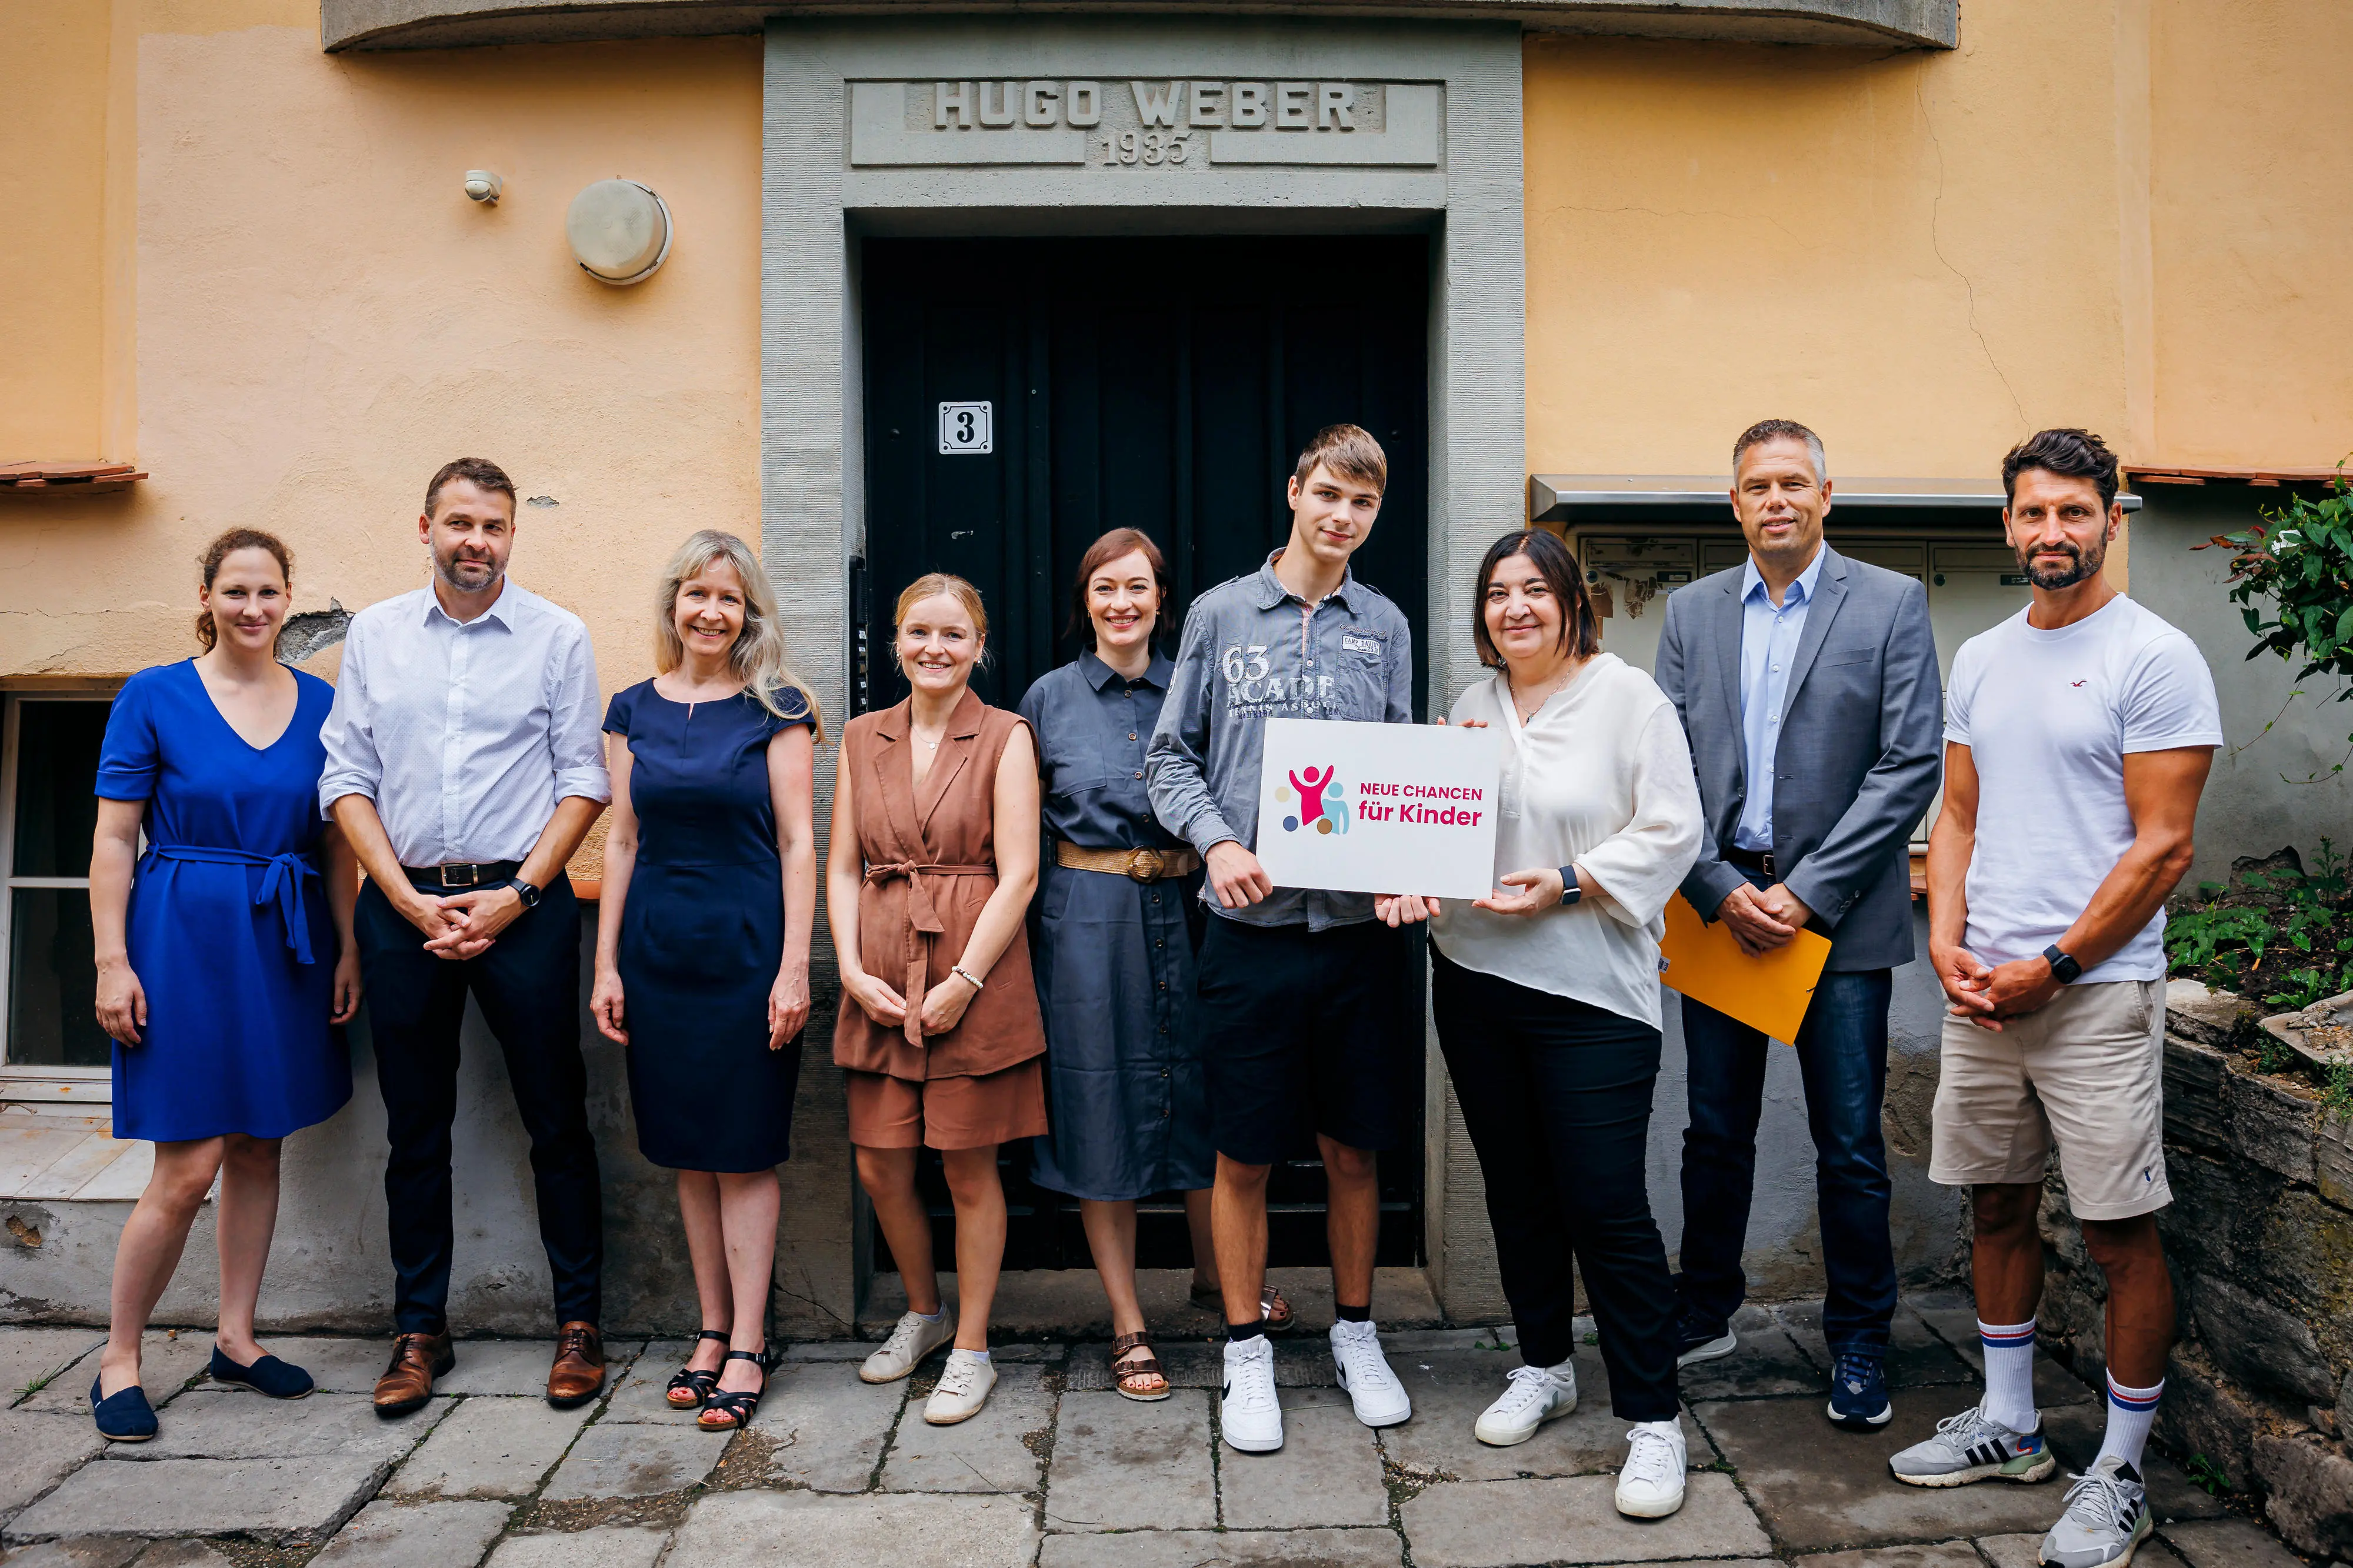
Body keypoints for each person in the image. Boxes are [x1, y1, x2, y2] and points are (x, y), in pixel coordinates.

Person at [1894, 429, 2218, 1568]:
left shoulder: (2153, 656)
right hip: (1983, 988)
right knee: (1991, 1205)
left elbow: (2161, 848)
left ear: (2108, 518)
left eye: (2071, 514)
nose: (2050, 533)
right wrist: (1943, 942)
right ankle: (2009, 1424)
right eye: (2031, 514)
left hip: (2090, 993)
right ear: (2005, 524)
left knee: (2116, 1230)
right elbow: (1959, 815)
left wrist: (2058, 966)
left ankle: (2118, 1471)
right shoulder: (1981, 654)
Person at [1400, 527, 1702, 1517]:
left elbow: (1673, 829)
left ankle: (1653, 1420)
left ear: (1574, 599)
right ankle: (1544, 1364)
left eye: (1535, 589)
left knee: (1606, 1205)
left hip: (1594, 997)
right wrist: (1410, 872)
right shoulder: (1472, 711)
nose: (1515, 607)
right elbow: (1434, 827)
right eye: (1497, 592)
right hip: (1477, 980)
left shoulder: (1630, 700)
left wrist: (1570, 882)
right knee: (1518, 1192)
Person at [1652, 418, 1943, 1431]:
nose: (1775, 499)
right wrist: (1716, 883)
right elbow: (1664, 768)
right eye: (1756, 485)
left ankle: (1861, 1340)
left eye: (1793, 482)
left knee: (1851, 1144)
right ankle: (1705, 1309)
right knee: (1714, 1132)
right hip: (1722, 909)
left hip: (1841, 918)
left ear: (1827, 495)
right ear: (1732, 503)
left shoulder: (1893, 603)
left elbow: (1911, 763)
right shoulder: (1691, 614)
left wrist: (1810, 892)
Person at [319, 457, 613, 1416]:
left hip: (522, 907)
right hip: (404, 906)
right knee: (415, 1127)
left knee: (556, 1117)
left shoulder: (556, 636)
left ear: (512, 534)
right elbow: (345, 780)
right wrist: (403, 901)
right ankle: (420, 1332)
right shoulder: (376, 633)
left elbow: (584, 780)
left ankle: (579, 1322)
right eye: (459, 524)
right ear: (426, 528)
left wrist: (516, 895)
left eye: (492, 525)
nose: (475, 541)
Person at [1146, 423, 1418, 1455]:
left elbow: (1397, 772)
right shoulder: (1221, 614)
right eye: (1329, 495)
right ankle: (1245, 1346)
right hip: (1249, 933)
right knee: (1244, 1151)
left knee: (1355, 1147)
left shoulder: (1382, 625)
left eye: (1363, 504)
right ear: (1294, 490)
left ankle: (1356, 1332)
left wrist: (1407, 864)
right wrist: (1216, 843)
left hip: (1354, 936)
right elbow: (1172, 759)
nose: (1342, 517)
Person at [84, 529, 361, 1441]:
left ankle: (236, 1338)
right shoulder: (153, 695)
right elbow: (115, 840)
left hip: (286, 938)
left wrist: (350, 948)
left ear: (289, 599)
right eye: (235, 590)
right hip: (181, 938)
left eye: (269, 591)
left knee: (259, 1146)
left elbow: (334, 843)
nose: (253, 608)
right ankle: (118, 1357)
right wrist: (112, 959)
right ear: (204, 594)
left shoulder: (322, 704)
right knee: (188, 1163)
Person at [1016, 529, 1291, 1403]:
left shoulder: (1202, 690)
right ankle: (1128, 1320)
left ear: (1162, 598)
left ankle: (1222, 1280)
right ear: (1085, 599)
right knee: (1102, 1108)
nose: (1123, 602)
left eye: (1138, 586)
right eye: (1106, 587)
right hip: (1087, 924)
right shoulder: (1049, 699)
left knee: (1214, 1096)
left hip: (1201, 913)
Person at [592, 530, 819, 1432]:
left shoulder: (781, 706)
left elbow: (801, 840)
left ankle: (754, 1340)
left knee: (744, 1146)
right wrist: (606, 963)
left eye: (729, 598)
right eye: (697, 594)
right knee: (688, 1147)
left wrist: (796, 962)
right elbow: (621, 840)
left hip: (748, 953)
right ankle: (711, 1328)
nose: (711, 611)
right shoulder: (630, 709)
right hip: (657, 957)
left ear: (748, 611)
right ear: (674, 603)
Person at [831, 573, 1046, 1426]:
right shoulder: (859, 737)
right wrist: (848, 966)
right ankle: (924, 1314)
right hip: (879, 974)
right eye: (919, 631)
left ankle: (974, 1349)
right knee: (880, 1161)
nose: (934, 647)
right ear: (895, 640)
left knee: (967, 1165)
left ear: (979, 646)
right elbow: (844, 863)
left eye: (953, 634)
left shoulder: (1005, 736)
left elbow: (1021, 870)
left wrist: (965, 981)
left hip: (974, 976)